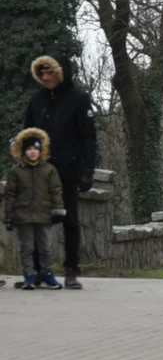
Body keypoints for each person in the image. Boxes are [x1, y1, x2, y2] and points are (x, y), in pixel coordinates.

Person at [23, 54, 97, 289]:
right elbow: (28, 133)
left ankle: (72, 270)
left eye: (50, 73)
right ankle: (36, 272)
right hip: (39, 169)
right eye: (42, 74)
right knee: (36, 220)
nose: (46, 78)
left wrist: (87, 170)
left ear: (60, 73)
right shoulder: (36, 100)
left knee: (70, 219)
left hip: (68, 167)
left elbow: (88, 137)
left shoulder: (79, 99)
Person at [4, 129, 65, 290]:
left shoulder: (49, 170)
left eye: (35, 149)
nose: (32, 152)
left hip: (43, 214)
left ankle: (47, 273)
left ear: (41, 151)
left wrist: (58, 210)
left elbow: (56, 191)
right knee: (27, 248)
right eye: (29, 149)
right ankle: (29, 275)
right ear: (23, 151)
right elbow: (10, 194)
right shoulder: (16, 171)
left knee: (45, 247)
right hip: (23, 215)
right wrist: (8, 215)